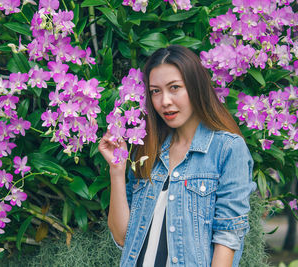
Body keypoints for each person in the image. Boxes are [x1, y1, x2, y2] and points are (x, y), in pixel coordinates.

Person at [98, 45, 257, 267]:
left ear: (195, 87)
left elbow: (228, 238)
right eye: (155, 91)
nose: (164, 101)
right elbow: (123, 237)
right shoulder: (147, 149)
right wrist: (116, 170)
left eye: (174, 88)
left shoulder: (227, 149)